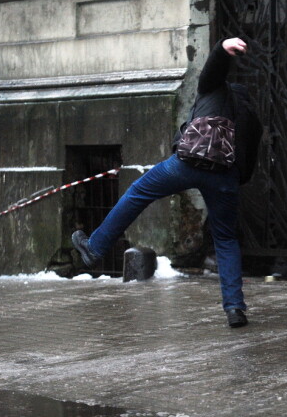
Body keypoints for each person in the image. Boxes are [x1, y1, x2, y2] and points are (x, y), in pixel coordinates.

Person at [72, 37, 262, 328]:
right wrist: (231, 182)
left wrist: (221, 49)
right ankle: (235, 309)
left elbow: (212, 71)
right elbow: (247, 164)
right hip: (225, 177)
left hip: (186, 164)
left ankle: (95, 247)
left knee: (138, 192)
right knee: (225, 239)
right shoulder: (250, 116)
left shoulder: (213, 89)